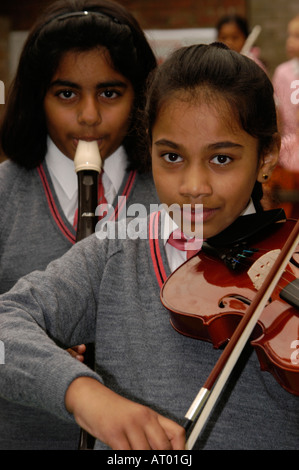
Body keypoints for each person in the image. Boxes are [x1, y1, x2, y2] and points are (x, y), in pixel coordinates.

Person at [1, 43, 298, 451]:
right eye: (172, 156)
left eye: (222, 159)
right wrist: (85, 395)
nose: (194, 186)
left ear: (266, 156)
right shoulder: (117, 250)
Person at [0, 0, 158, 450]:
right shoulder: (4, 194)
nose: (89, 116)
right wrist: (42, 360)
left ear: (143, 96)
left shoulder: (176, 193)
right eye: (66, 94)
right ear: (37, 98)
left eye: (110, 93)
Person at [272, 14, 299, 172]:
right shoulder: (283, 72)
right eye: (290, 35)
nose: (289, 41)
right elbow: (277, 114)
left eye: (297, 36)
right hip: (288, 146)